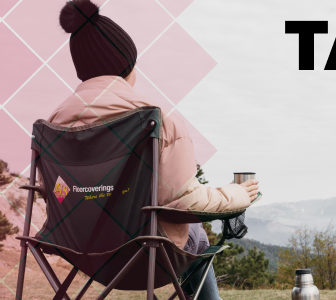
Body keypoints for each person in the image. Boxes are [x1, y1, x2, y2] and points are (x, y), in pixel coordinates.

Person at [48, 1, 259, 299]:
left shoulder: (52, 127)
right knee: (195, 232)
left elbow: (59, 195)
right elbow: (184, 203)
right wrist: (237, 194)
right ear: (128, 65)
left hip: (80, 253)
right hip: (148, 254)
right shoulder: (156, 119)